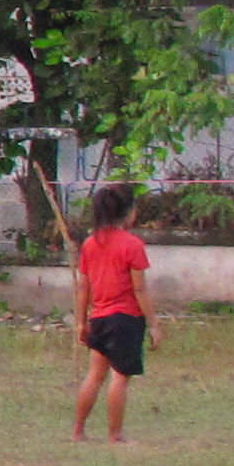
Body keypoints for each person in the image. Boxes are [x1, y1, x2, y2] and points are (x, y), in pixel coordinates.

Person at [71, 182, 152, 443]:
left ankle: (78, 431)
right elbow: (139, 289)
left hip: (100, 317)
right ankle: (115, 434)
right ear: (129, 213)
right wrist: (155, 324)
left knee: (95, 375)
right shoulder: (133, 245)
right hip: (125, 318)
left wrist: (81, 322)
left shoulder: (90, 244)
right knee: (120, 376)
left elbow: (84, 286)